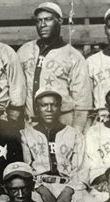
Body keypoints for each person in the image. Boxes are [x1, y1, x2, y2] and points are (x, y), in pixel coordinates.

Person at [17, 2, 92, 132]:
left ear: (59, 21)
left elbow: (82, 104)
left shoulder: (73, 55)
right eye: (39, 20)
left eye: (48, 19)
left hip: (62, 122)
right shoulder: (25, 50)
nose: (42, 24)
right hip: (31, 123)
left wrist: (76, 134)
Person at [20, 87, 86, 202]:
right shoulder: (26, 135)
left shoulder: (74, 134)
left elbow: (82, 168)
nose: (49, 109)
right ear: (37, 108)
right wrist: (39, 188)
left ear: (60, 108)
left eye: (54, 105)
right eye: (44, 105)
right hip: (38, 187)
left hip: (68, 186)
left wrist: (68, 191)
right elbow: (24, 168)